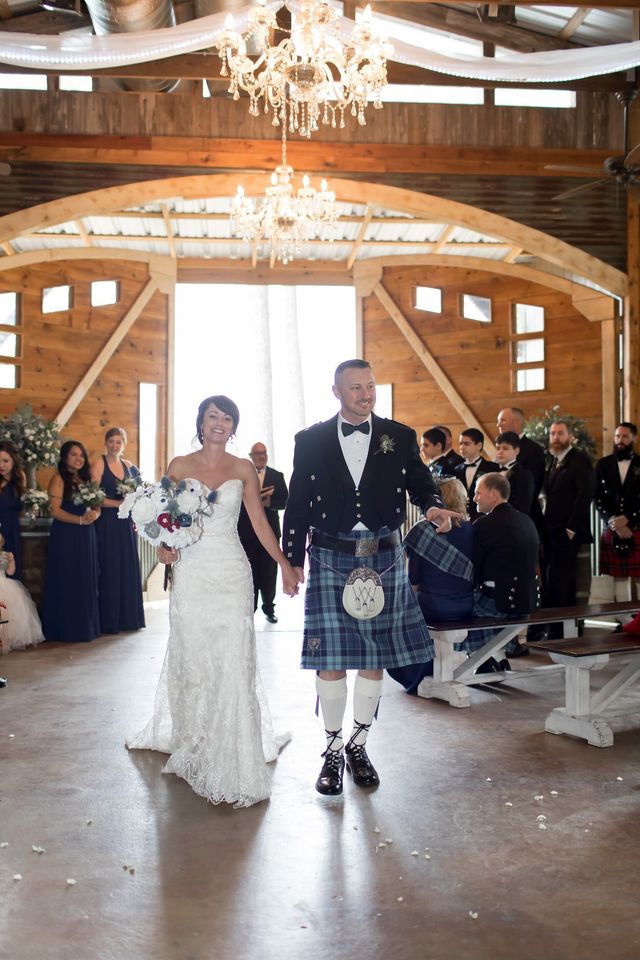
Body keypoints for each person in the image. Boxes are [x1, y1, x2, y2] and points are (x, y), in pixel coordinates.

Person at [282, 359, 459, 796]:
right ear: (336, 391)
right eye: (356, 387)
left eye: (370, 386)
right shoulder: (310, 440)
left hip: (381, 555)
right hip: (328, 554)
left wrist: (432, 504)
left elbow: (420, 482)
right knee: (330, 660)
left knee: (373, 657)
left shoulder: (397, 436)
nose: (366, 394)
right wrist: (291, 560)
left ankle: (359, 745)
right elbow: (299, 501)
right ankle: (331, 749)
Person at [126, 395, 301, 808]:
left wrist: (286, 564)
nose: (219, 423)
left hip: (231, 571)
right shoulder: (179, 467)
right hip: (191, 573)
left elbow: (258, 523)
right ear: (201, 422)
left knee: (232, 655)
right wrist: (165, 551)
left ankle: (236, 747)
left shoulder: (243, 469)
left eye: (227, 418)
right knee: (194, 655)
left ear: (233, 427)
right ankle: (196, 738)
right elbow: (164, 523)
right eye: (212, 416)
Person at [388, 476, 474, 692]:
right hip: (466, 606)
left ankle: (414, 674)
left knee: (395, 618)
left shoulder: (423, 530)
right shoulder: (472, 529)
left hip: (432, 607)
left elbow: (413, 580)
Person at [471, 473, 540, 669]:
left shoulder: (484, 525)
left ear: (493, 494)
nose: (474, 498)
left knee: (456, 605)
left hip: (497, 603)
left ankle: (483, 659)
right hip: (526, 602)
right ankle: (498, 657)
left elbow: (473, 567)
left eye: (478, 493)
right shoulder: (527, 520)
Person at [42, 441, 101, 643]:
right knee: (68, 577)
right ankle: (65, 629)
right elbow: (54, 510)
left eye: (81, 455)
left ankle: (85, 628)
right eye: (73, 454)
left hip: (87, 535)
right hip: (66, 535)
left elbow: (97, 504)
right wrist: (78, 520)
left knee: (85, 578)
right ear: (65, 457)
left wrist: (95, 513)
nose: (78, 458)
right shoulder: (59, 479)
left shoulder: (87, 479)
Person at [90, 427, 145, 634]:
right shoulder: (98, 464)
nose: (114, 445)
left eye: (118, 442)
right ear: (106, 443)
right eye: (111, 441)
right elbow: (93, 496)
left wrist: (135, 505)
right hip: (107, 523)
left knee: (127, 567)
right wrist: (119, 504)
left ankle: (129, 619)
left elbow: (142, 492)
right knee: (110, 568)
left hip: (126, 525)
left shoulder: (130, 466)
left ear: (124, 444)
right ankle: (110, 621)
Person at [541, 420, 595, 617]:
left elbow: (585, 494)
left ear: (570, 436)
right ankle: (560, 626)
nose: (556, 437)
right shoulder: (554, 461)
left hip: (568, 531)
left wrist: (571, 528)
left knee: (562, 581)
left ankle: (561, 628)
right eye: (553, 433)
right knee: (556, 581)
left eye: (560, 433)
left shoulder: (580, 460)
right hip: (552, 531)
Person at [237, 442, 289, 624]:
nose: (260, 456)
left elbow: (285, 501)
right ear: (251, 456)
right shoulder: (241, 477)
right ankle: (249, 609)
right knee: (248, 572)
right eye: (257, 454)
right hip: (245, 532)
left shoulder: (277, 476)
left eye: (263, 453)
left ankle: (269, 608)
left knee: (269, 572)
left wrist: (270, 503)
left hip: (271, 531)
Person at [594, 422, 640, 623]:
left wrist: (628, 518)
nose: (620, 440)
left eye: (625, 436)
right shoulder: (603, 464)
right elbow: (597, 497)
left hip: (637, 525)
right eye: (617, 436)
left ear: (634, 439)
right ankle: (624, 622)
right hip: (612, 526)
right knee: (619, 576)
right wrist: (613, 520)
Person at [497, 407, 545, 529]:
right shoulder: (499, 451)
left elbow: (534, 485)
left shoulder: (534, 449)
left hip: (525, 516)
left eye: (502, 420)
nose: (498, 424)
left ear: (516, 422)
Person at [0, 533, 44, 653]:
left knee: (8, 614)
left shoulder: (6, 555)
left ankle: (5, 641)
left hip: (4, 583)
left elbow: (10, 572)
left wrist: (11, 561)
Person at [454, 428, 499, 521]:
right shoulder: (456, 469)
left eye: (466, 443)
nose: (462, 447)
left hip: (485, 517)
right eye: (460, 443)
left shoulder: (492, 468)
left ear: (479, 445)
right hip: (462, 518)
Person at [0, 440, 26, 580]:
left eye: (5, 461)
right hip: (0, 530)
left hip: (12, 529)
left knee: (12, 572)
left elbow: (21, 504)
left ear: (13, 461)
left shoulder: (20, 477)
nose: (1, 465)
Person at [494, 431, 535, 516]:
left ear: (516, 451)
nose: (500, 452)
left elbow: (523, 507)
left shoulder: (524, 475)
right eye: (498, 448)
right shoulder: (492, 471)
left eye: (505, 448)